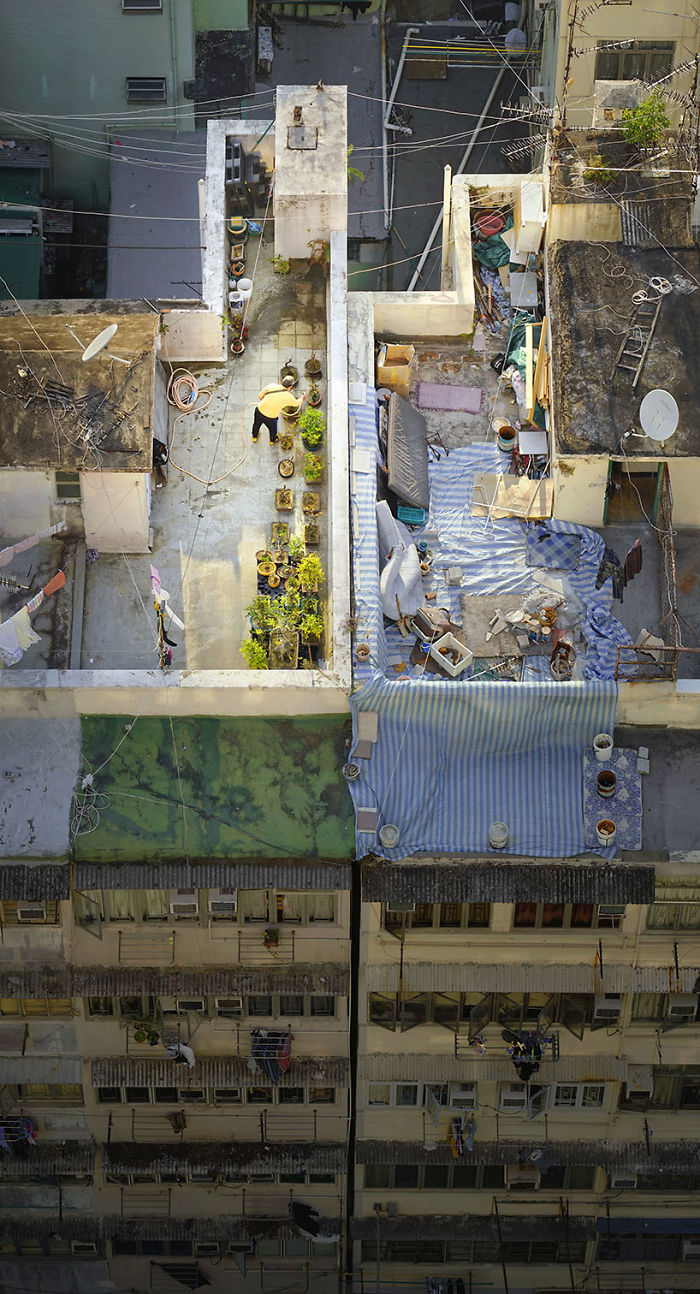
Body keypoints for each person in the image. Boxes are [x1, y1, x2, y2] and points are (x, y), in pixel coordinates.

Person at [252, 374, 304, 444]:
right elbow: (296, 403)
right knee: (273, 430)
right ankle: (272, 441)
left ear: (282, 380)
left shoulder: (271, 386)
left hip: (259, 411)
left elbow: (260, 396)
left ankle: (254, 436)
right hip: (270, 418)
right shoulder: (289, 396)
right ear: (290, 386)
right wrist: (303, 398)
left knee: (256, 424)